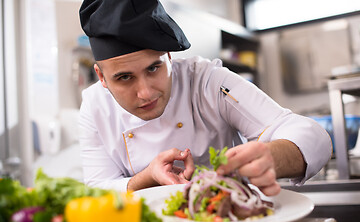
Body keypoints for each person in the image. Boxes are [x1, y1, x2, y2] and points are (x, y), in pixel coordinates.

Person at [78, 0, 332, 196]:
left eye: (153, 68)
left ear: (168, 56)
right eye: (124, 78)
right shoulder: (94, 106)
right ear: (101, 76)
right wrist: (147, 177)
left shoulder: (208, 82)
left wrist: (271, 156)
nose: (145, 93)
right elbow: (97, 190)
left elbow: (312, 135)